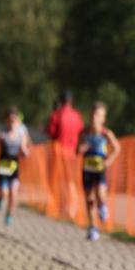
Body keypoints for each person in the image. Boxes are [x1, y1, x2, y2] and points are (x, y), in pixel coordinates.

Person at [77, 102, 120, 242]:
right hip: (87, 169)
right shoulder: (83, 133)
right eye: (93, 114)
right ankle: (93, 228)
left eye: (98, 115)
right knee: (89, 200)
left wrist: (109, 161)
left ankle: (103, 207)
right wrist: (81, 149)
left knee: (100, 194)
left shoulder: (106, 133)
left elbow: (117, 149)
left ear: (103, 119)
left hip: (100, 169)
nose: (95, 118)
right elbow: (77, 149)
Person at [47, 90, 84, 218]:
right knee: (71, 181)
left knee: (59, 181)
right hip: (73, 153)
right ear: (71, 101)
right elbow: (81, 133)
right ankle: (72, 208)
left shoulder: (56, 115)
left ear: (61, 101)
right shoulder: (77, 115)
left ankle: (64, 207)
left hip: (59, 152)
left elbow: (51, 134)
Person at [0, 107, 32, 226]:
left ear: (18, 122)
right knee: (4, 193)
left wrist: (25, 152)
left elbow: (25, 149)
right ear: (6, 121)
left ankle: (9, 216)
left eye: (14, 121)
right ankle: (0, 198)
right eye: (10, 120)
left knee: (13, 195)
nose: (12, 123)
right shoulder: (2, 135)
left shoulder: (22, 135)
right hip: (3, 167)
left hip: (14, 167)